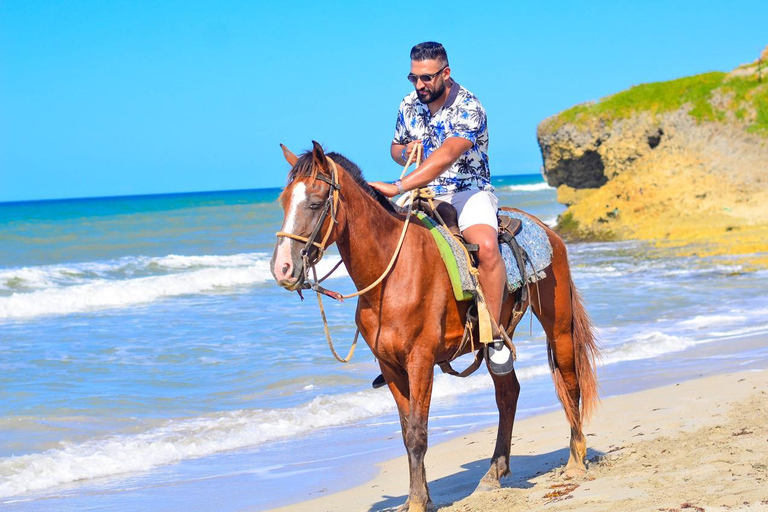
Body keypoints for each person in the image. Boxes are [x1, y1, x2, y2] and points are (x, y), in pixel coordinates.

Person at [369, 41, 513, 377]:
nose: (419, 85)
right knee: (381, 246)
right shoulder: (409, 104)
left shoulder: (469, 107)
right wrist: (407, 153)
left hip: (467, 190)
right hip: (423, 189)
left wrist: (399, 186)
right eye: (413, 78)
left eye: (427, 78)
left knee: (488, 248)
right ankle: (393, 343)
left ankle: (494, 336)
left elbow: (447, 156)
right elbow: (395, 148)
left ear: (446, 74)